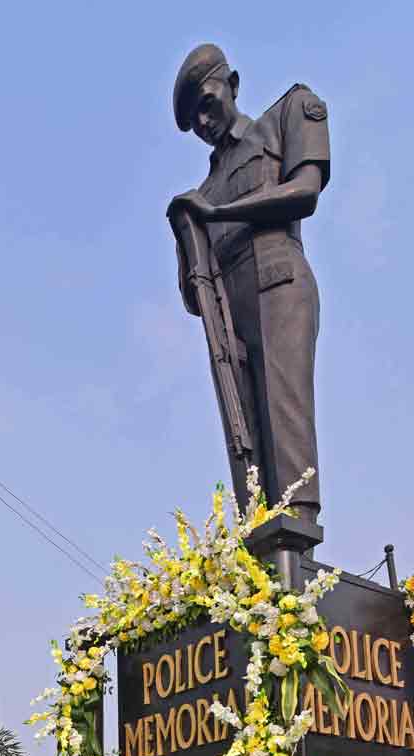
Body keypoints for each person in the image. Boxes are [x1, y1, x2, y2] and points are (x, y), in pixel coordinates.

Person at [168, 43, 330, 523]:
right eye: (193, 118)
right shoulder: (206, 188)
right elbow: (193, 297)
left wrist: (217, 214)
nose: (203, 122)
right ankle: (259, 537)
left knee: (285, 412)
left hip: (277, 279)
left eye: (208, 103)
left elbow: (304, 192)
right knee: (247, 435)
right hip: (230, 310)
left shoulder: (284, 117)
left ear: (232, 85)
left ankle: (298, 531)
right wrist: (186, 236)